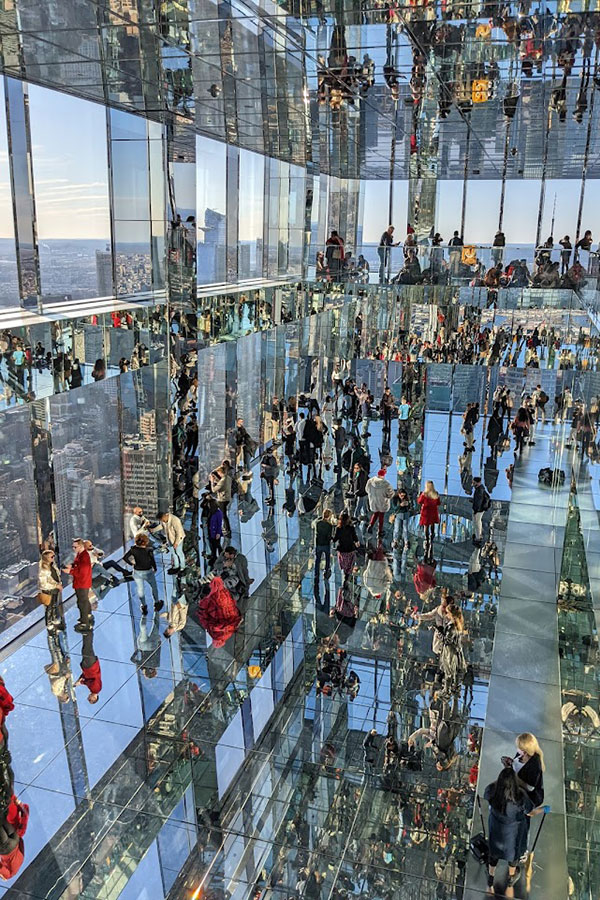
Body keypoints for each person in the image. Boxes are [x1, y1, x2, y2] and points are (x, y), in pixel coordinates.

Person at [483, 767, 540, 892]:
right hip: (512, 834)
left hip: (496, 830)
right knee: (513, 854)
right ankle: (511, 877)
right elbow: (529, 812)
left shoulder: (491, 791)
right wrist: (543, 809)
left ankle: (490, 877)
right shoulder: (520, 798)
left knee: (494, 852)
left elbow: (486, 793)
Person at [196, 576, 242, 647]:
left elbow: (233, 611)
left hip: (221, 605)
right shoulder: (211, 630)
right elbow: (203, 616)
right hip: (216, 606)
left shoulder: (229, 630)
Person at [124, 533, 161, 614]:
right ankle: (157, 603)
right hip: (148, 572)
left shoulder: (133, 549)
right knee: (153, 587)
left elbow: (125, 558)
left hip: (137, 572)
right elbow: (152, 561)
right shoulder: (149, 550)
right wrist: (155, 568)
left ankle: (144, 606)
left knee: (140, 589)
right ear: (145, 542)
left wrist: (132, 564)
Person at [63, 538, 93, 633]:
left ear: (80, 546)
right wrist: (72, 566)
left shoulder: (84, 556)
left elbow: (82, 572)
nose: (73, 548)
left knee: (82, 602)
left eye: (75, 547)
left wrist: (70, 571)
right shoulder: (81, 554)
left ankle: (85, 623)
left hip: (82, 582)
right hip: (83, 582)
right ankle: (87, 616)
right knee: (84, 600)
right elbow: (78, 565)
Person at [38, 549, 64, 633]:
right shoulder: (43, 569)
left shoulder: (52, 564)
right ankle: (49, 624)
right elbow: (44, 583)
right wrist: (56, 585)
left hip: (55, 588)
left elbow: (56, 575)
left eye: (54, 556)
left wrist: (58, 584)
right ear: (46, 558)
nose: (53, 558)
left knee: (54, 605)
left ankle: (54, 618)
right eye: (51, 557)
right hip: (48, 590)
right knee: (49, 607)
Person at [366, 468, 395, 539]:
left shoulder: (370, 481)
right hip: (382, 503)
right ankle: (380, 531)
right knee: (381, 516)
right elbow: (390, 494)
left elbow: (367, 490)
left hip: (374, 501)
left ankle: (370, 525)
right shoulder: (386, 484)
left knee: (375, 513)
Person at [75, 629, 102, 704]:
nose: (88, 697)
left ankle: (86, 633)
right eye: (89, 699)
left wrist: (80, 681)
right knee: (87, 648)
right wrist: (82, 682)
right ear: (94, 698)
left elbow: (86, 677)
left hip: (89, 666)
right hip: (91, 667)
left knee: (85, 649)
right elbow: (91, 681)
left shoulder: (93, 689)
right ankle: (88, 632)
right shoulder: (96, 689)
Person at [334, 510, 360, 579]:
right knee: (350, 563)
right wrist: (357, 542)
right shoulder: (351, 528)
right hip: (350, 548)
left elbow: (335, 539)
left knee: (344, 563)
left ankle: (346, 574)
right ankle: (347, 575)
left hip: (342, 549)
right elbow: (354, 537)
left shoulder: (338, 528)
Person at [418, 481, 440, 557]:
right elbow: (438, 503)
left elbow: (419, 501)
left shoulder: (424, 494)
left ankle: (426, 539)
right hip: (433, 511)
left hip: (426, 512)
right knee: (432, 524)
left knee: (426, 526)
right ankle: (432, 535)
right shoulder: (436, 493)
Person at [312, 508, 333, 581]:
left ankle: (316, 574)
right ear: (329, 516)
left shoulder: (317, 523)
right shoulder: (329, 525)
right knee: (327, 559)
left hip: (318, 544)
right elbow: (329, 536)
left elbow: (314, 525)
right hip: (326, 544)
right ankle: (326, 571)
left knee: (317, 560)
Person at [471, 476, 490, 545]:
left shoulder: (479, 490)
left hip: (479, 509)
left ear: (477, 483)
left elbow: (478, 502)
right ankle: (478, 535)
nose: (472, 484)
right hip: (479, 509)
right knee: (477, 522)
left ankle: (478, 537)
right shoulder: (479, 489)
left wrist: (476, 511)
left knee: (477, 522)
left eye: (474, 482)